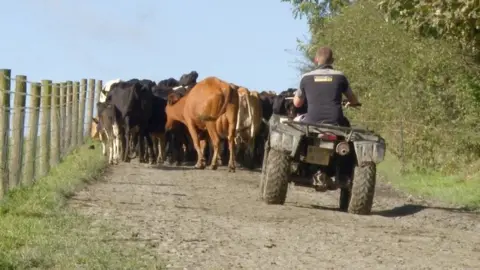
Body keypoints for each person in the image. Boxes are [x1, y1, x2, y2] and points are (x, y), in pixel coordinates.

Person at [293, 46, 361, 127]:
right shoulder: (340, 77)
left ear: (316, 59)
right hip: (336, 121)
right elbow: (353, 100)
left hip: (311, 121)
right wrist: (350, 102)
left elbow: (297, 104)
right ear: (332, 61)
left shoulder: (305, 78)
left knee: (295, 120)